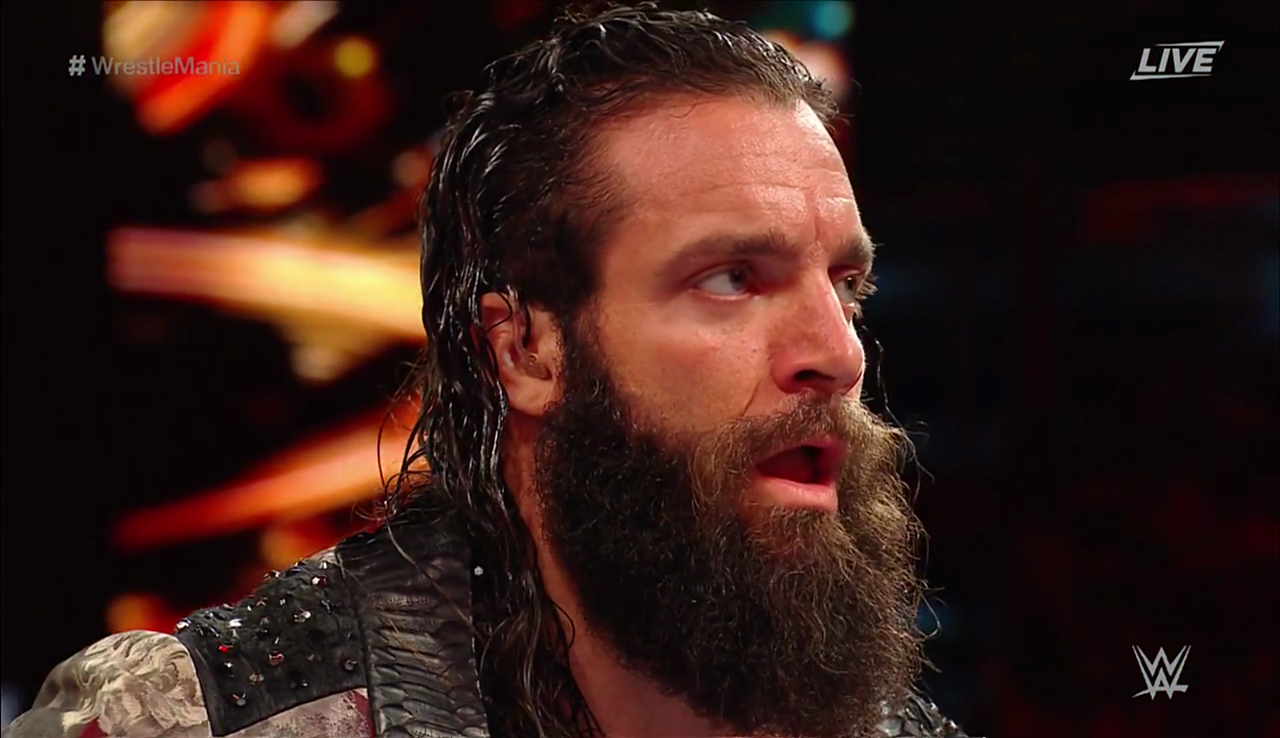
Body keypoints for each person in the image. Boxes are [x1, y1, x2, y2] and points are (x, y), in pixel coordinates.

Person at [5, 3, 976, 737]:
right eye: (732, 279)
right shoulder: (198, 718)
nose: (838, 354)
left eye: (846, 286)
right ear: (524, 350)